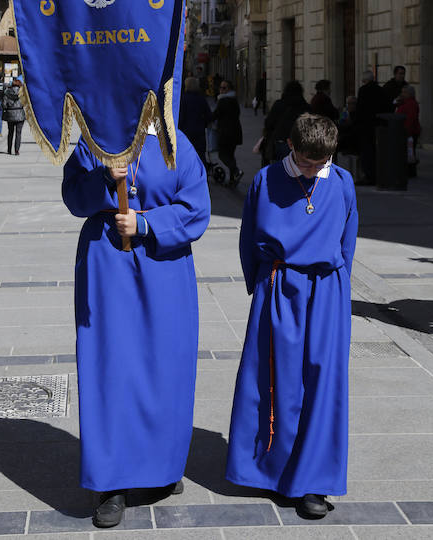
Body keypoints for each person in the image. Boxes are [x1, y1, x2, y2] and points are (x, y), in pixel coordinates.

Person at [61, 126, 211, 528]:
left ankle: (162, 466)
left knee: (166, 367)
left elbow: (197, 207)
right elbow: (73, 196)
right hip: (107, 265)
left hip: (165, 267)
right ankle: (111, 483)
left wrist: (146, 225)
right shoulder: (94, 142)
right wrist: (105, 179)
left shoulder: (177, 142)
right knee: (110, 369)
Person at [226, 113, 357, 519]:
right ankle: (274, 471)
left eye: (322, 163)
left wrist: (339, 292)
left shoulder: (343, 181)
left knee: (323, 384)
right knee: (277, 381)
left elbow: (348, 238)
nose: (315, 170)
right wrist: (261, 288)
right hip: (280, 288)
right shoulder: (266, 179)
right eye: (306, 162)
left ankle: (313, 481)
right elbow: (249, 238)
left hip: (327, 293)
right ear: (290, 147)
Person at [263, 80, 309, 163]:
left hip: (281, 142)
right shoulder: (305, 107)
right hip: (299, 145)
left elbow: (269, 123)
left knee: (279, 169)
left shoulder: (279, 104)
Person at [355, 70, 388, 185]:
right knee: (376, 152)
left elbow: (359, 109)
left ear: (365, 80)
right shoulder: (380, 90)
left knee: (367, 152)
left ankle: (369, 176)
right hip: (378, 126)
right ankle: (378, 175)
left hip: (366, 126)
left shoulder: (363, 90)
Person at [210, 79, 243, 186]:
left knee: (222, 155)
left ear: (229, 89)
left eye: (224, 88)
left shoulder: (224, 101)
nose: (221, 90)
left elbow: (215, 115)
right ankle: (233, 179)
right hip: (235, 131)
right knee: (230, 155)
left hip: (226, 132)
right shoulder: (234, 100)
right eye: (220, 87)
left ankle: (236, 171)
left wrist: (206, 118)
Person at [179, 76, 212, 165]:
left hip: (186, 131)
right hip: (199, 131)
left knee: (187, 153)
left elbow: (181, 116)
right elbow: (208, 115)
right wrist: (204, 123)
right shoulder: (201, 99)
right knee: (200, 153)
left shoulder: (183, 99)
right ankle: (202, 173)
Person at [396, 84, 421, 176]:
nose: (402, 94)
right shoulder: (404, 102)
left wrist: (407, 131)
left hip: (410, 131)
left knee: (410, 152)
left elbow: (410, 118)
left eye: (404, 92)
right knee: (408, 152)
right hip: (405, 130)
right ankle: (409, 170)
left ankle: (411, 171)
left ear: (409, 94)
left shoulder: (411, 103)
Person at [2, 78, 26, 155]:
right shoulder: (22, 93)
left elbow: (4, 105)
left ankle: (9, 149)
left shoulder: (7, 92)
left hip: (10, 114)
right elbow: (25, 103)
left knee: (10, 132)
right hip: (20, 114)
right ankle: (16, 150)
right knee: (18, 133)